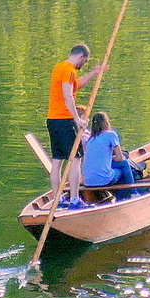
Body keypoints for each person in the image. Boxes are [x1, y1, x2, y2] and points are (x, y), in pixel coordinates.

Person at [46, 43, 106, 210]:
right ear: (81, 57)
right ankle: (74, 200)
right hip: (65, 121)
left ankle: (57, 199)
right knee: (75, 160)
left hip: (52, 120)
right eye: (85, 63)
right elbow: (68, 96)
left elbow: (74, 87)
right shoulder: (69, 71)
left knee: (57, 161)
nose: (83, 66)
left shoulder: (59, 68)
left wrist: (94, 73)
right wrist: (77, 119)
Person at [83, 111, 138, 200]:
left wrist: (109, 158)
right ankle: (133, 193)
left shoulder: (90, 139)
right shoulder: (111, 134)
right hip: (104, 180)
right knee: (124, 164)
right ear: (106, 123)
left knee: (115, 166)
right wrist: (112, 158)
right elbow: (120, 158)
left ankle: (114, 197)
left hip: (87, 181)